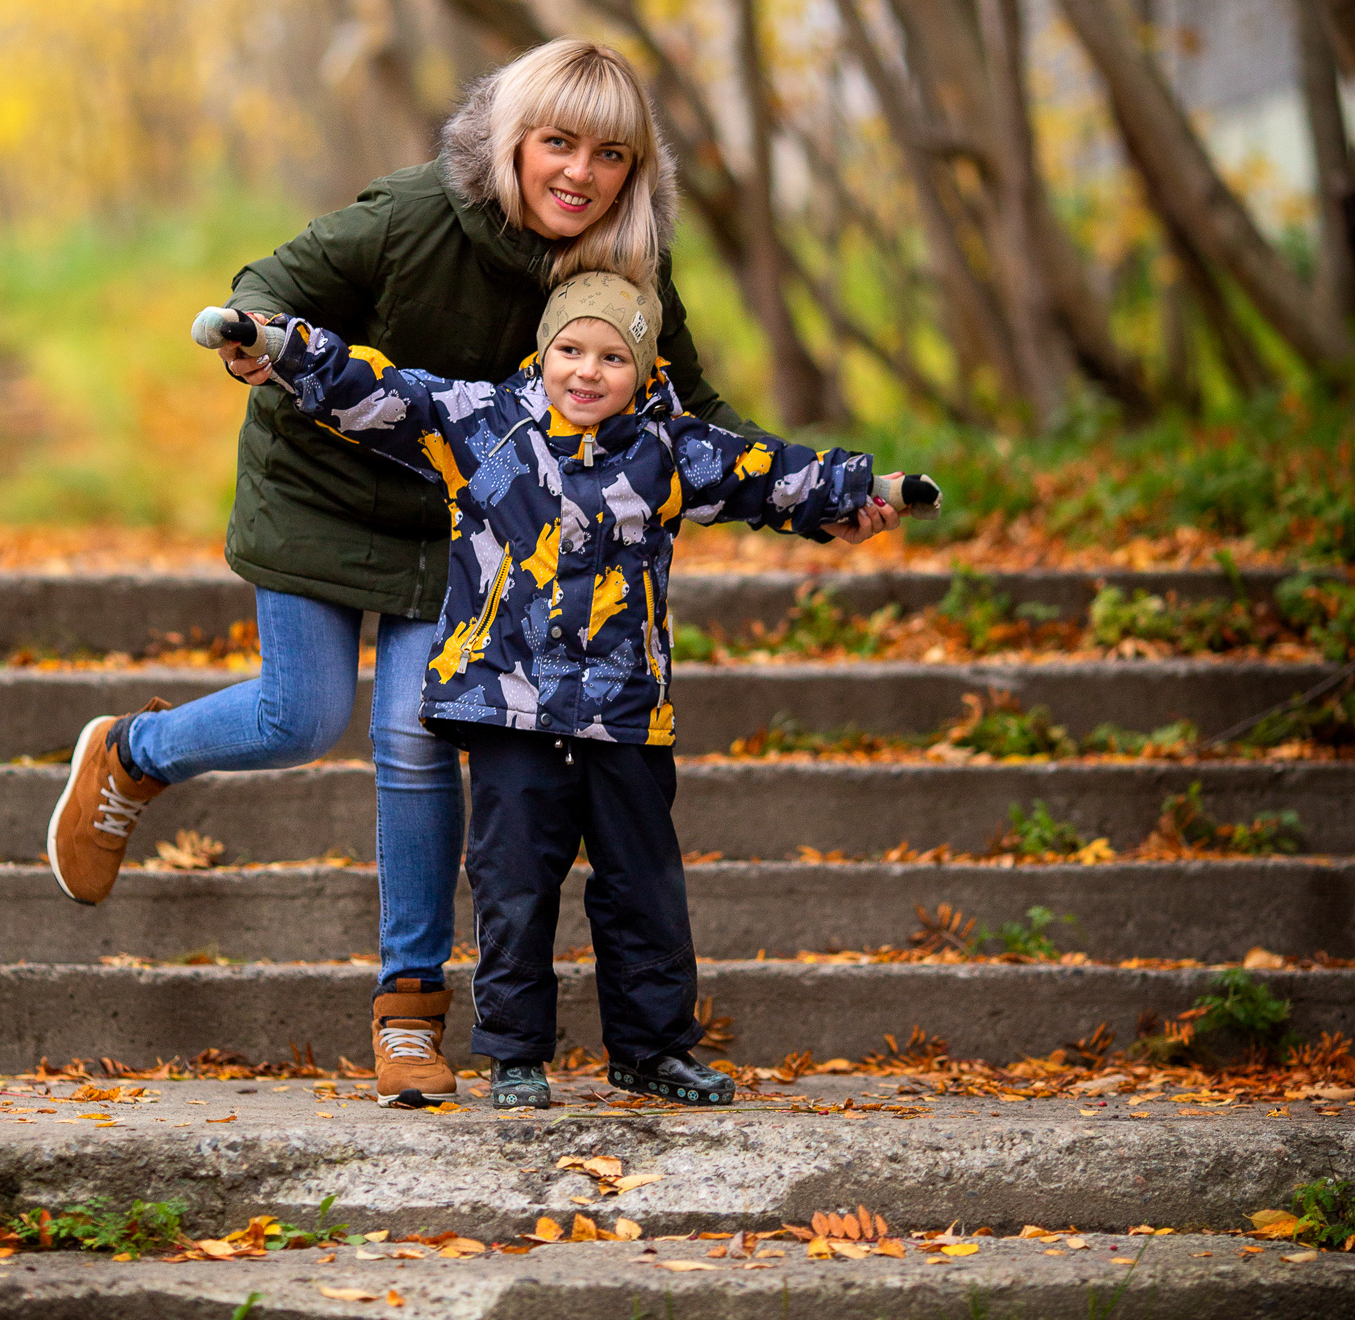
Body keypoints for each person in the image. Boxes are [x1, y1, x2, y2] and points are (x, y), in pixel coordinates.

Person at [43, 37, 899, 1101]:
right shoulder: (412, 214)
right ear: (511, 141)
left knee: (413, 733)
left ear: (637, 169)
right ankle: (135, 752)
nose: (579, 175)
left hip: (465, 522)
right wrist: (253, 333)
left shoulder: (625, 270)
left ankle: (408, 1009)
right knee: (299, 718)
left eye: (609, 155)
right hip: (321, 482)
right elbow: (275, 282)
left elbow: (694, 422)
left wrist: (818, 502)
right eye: (556, 144)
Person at [189, 270, 885, 1109]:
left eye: (612, 358)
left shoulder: (669, 447)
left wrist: (861, 491)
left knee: (645, 886)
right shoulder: (482, 423)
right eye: (570, 351)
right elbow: (378, 389)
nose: (587, 372)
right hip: (510, 706)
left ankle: (652, 1049)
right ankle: (515, 1052)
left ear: (643, 368)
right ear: (544, 351)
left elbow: (768, 473)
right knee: (513, 883)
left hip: (625, 712)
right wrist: (277, 347)